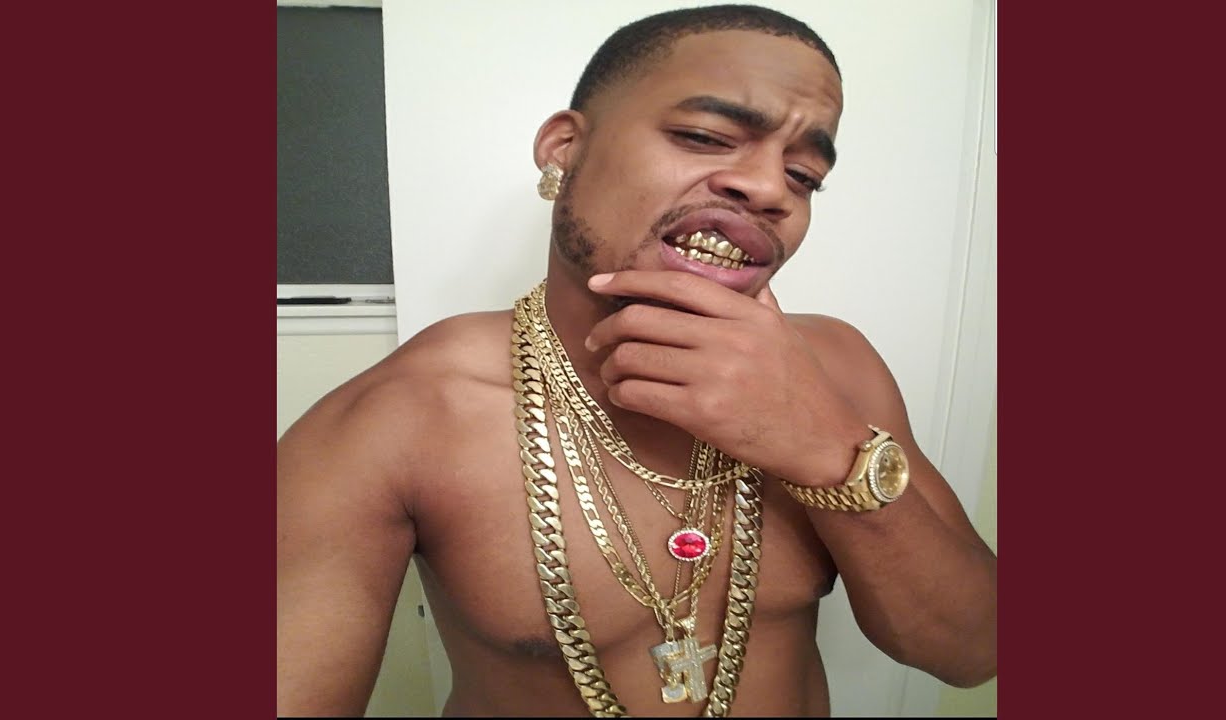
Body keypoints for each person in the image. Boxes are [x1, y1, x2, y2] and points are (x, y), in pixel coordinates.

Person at [277, 4, 997, 717]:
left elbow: (972, 651)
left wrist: (824, 447)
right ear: (565, 148)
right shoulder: (402, 415)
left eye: (804, 174)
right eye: (704, 136)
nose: (770, 189)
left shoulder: (837, 369)